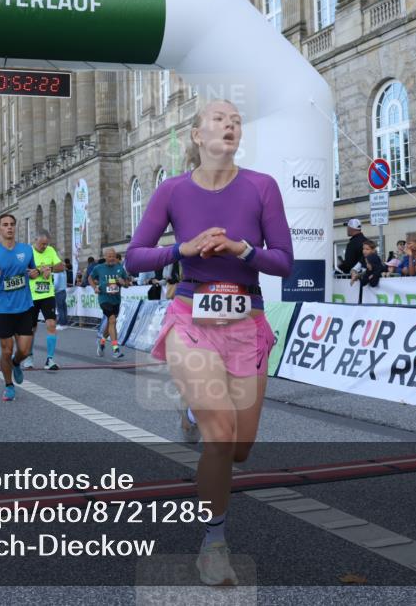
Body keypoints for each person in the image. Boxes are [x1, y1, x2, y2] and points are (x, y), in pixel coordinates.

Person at [124, 99, 293, 586]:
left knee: (239, 448)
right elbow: (135, 258)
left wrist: (244, 249)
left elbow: (284, 261)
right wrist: (184, 248)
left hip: (248, 319)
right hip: (190, 316)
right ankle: (213, 544)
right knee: (220, 438)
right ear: (197, 135)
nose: (231, 124)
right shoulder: (172, 190)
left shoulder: (262, 187)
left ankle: (194, 410)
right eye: (219, 119)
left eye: (237, 120)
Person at [0, 213, 39, 401]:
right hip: (3, 308)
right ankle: (8, 385)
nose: (9, 227)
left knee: (23, 350)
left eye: (12, 224)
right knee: (6, 350)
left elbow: (33, 273)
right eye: (5, 225)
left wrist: (35, 273)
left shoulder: (26, 250)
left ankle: (16, 363)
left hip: (24, 306)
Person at [20, 229, 64, 370]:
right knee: (31, 328)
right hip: (31, 295)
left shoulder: (50, 250)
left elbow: (61, 266)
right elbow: (20, 271)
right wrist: (33, 273)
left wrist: (49, 268)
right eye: (42, 244)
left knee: (51, 324)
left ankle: (50, 360)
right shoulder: (27, 252)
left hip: (47, 294)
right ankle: (29, 357)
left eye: (46, 244)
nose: (44, 247)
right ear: (35, 241)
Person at [88, 248, 130, 359]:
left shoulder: (120, 268)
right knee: (112, 320)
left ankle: (102, 342)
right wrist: (94, 288)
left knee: (111, 324)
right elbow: (90, 278)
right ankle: (116, 350)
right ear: (105, 256)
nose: (112, 258)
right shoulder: (99, 268)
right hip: (104, 299)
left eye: (114, 256)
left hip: (116, 300)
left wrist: (123, 282)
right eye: (110, 256)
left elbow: (127, 283)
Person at [53, 263, 69, 330]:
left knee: (60, 308)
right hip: (64, 290)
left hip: (58, 291)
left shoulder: (57, 273)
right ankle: (65, 323)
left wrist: (53, 290)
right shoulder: (64, 272)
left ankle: (61, 324)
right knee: (63, 307)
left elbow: (56, 283)